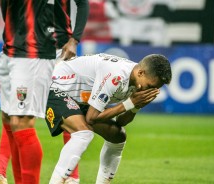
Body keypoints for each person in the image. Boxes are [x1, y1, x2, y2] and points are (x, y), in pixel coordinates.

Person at [0, 0, 89, 184]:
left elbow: (82, 3)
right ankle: (0, 171)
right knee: (12, 116)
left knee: (65, 109)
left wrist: (75, 39)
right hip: (14, 46)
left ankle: (72, 176)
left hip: (52, 48)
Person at [45, 53, 172, 183]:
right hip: (55, 86)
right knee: (83, 134)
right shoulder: (116, 76)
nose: (150, 91)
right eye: (150, 86)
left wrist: (136, 106)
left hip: (82, 99)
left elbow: (121, 122)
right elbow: (91, 118)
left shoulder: (136, 81)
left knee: (118, 135)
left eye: (155, 89)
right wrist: (130, 103)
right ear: (141, 73)